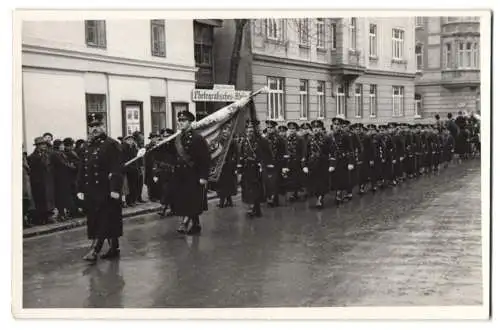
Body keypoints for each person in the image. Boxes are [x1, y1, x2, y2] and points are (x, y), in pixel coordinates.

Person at [77, 113, 124, 262]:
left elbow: (117, 168)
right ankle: (114, 247)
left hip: (106, 190)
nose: (95, 129)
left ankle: (94, 250)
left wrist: (115, 189)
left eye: (97, 126)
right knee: (100, 220)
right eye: (92, 126)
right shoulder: (86, 146)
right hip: (91, 190)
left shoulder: (111, 144)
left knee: (104, 220)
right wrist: (79, 188)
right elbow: (82, 169)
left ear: (104, 126)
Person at [171, 110, 211, 235]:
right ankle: (196, 224)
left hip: (193, 174)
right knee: (185, 200)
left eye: (184, 121)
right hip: (180, 175)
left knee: (192, 200)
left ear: (190, 122)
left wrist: (203, 176)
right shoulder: (177, 138)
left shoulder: (197, 138)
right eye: (180, 121)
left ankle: (185, 223)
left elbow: (205, 159)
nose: (181, 123)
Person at [238, 120, 271, 217]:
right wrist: (239, 170)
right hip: (246, 168)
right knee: (248, 189)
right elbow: (240, 156)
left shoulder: (261, 141)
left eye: (251, 131)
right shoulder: (243, 141)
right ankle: (254, 207)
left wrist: (264, 165)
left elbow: (267, 154)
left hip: (257, 168)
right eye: (248, 131)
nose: (249, 133)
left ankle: (254, 207)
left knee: (256, 189)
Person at [28, 137, 56, 225]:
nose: (44, 146)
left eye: (44, 144)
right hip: (38, 182)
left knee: (48, 199)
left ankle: (48, 216)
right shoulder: (32, 157)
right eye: (42, 144)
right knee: (40, 200)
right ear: (38, 146)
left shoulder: (47, 154)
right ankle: (42, 218)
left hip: (47, 180)